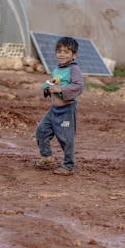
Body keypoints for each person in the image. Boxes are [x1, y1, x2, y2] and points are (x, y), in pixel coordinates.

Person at [35, 36, 84, 175]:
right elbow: (54, 82)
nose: (62, 54)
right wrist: (47, 87)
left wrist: (61, 90)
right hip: (54, 109)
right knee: (41, 130)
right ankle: (46, 156)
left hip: (66, 110)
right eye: (59, 51)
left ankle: (68, 166)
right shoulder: (57, 69)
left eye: (66, 52)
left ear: (74, 55)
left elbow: (79, 86)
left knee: (66, 139)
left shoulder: (74, 69)